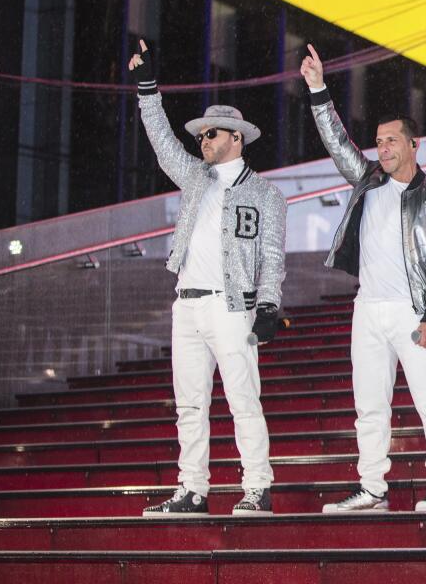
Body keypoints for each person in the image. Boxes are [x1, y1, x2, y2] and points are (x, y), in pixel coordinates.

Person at [301, 44, 426, 512]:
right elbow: (336, 142)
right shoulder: (367, 180)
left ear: (414, 144)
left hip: (412, 311)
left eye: (392, 140)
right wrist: (317, 89)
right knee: (369, 406)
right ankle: (372, 487)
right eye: (379, 141)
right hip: (367, 309)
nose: (383, 148)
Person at [129, 40, 286, 517]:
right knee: (190, 405)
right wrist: (147, 88)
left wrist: (270, 306)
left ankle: (258, 486)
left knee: (243, 399)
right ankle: (192, 489)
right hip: (187, 302)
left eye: (212, 133)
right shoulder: (194, 176)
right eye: (201, 134)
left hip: (232, 305)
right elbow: (160, 140)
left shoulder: (264, 194)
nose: (203, 140)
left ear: (236, 137)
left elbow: (273, 256)